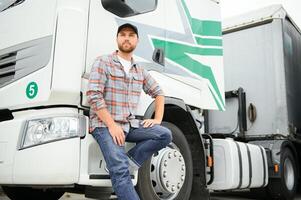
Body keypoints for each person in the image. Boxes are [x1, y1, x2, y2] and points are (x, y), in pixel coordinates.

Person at [86, 23, 172, 200]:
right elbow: (93, 95)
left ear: (137, 41)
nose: (126, 38)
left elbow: (159, 93)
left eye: (131, 35)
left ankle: (131, 160)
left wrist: (157, 119)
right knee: (120, 171)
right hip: (103, 125)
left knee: (164, 134)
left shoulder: (139, 70)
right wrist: (112, 125)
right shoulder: (103, 62)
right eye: (123, 34)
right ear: (117, 39)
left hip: (129, 124)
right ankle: (122, 165)